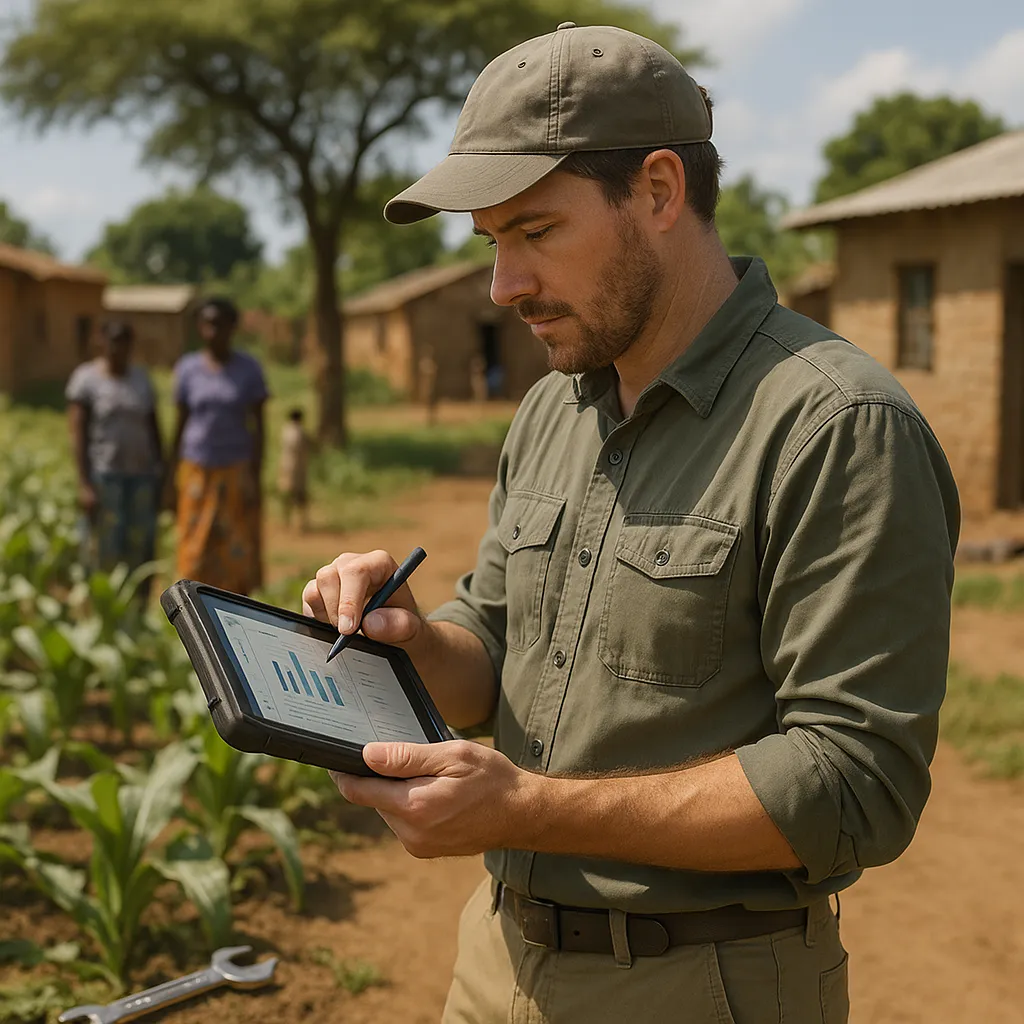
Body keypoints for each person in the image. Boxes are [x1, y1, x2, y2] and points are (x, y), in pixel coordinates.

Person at [302, 23, 959, 1024]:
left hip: (701, 983)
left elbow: (854, 782)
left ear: (657, 192)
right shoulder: (552, 409)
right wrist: (414, 640)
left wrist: (527, 809)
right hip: (497, 963)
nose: (502, 287)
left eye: (535, 232)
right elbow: (495, 643)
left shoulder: (834, 426)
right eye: (490, 244)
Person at [170, 297, 268, 595]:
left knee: (236, 550)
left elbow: (259, 426)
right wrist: (169, 472)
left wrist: (256, 472)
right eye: (207, 324)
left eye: (220, 324)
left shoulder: (248, 369)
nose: (213, 331)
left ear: (232, 327)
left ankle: (235, 613)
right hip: (197, 469)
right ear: (200, 327)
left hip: (235, 470)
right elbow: (180, 422)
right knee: (195, 548)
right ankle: (195, 611)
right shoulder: (188, 369)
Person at [66, 320, 163, 596]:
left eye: (124, 341)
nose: (119, 347)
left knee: (140, 547)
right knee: (103, 548)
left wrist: (162, 474)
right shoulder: (86, 379)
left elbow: (155, 429)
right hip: (104, 476)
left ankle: (137, 610)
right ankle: (104, 607)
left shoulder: (141, 380)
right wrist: (84, 483)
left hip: (142, 477)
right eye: (113, 340)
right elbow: (78, 434)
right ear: (102, 342)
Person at [278, 407, 311, 533]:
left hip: (285, 466)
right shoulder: (300, 432)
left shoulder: (285, 431)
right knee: (300, 497)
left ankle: (287, 521)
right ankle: (300, 524)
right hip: (298, 469)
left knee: (286, 495)